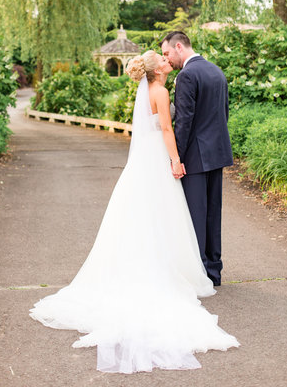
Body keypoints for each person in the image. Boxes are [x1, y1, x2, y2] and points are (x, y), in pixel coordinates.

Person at [29, 50, 239, 373]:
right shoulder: (161, 91)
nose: (168, 61)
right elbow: (167, 130)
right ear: (157, 70)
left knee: (143, 216)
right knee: (162, 215)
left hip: (143, 160)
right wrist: (176, 160)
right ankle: (164, 269)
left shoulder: (148, 92)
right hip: (158, 158)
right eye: (163, 60)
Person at [161, 32, 234, 287]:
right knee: (213, 213)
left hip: (195, 156)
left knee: (195, 215)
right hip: (217, 153)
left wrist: (176, 158)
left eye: (167, 53)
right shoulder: (217, 71)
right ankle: (213, 271)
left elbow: (184, 121)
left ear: (179, 47)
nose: (167, 59)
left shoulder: (187, 75)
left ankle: (199, 273)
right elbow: (224, 113)